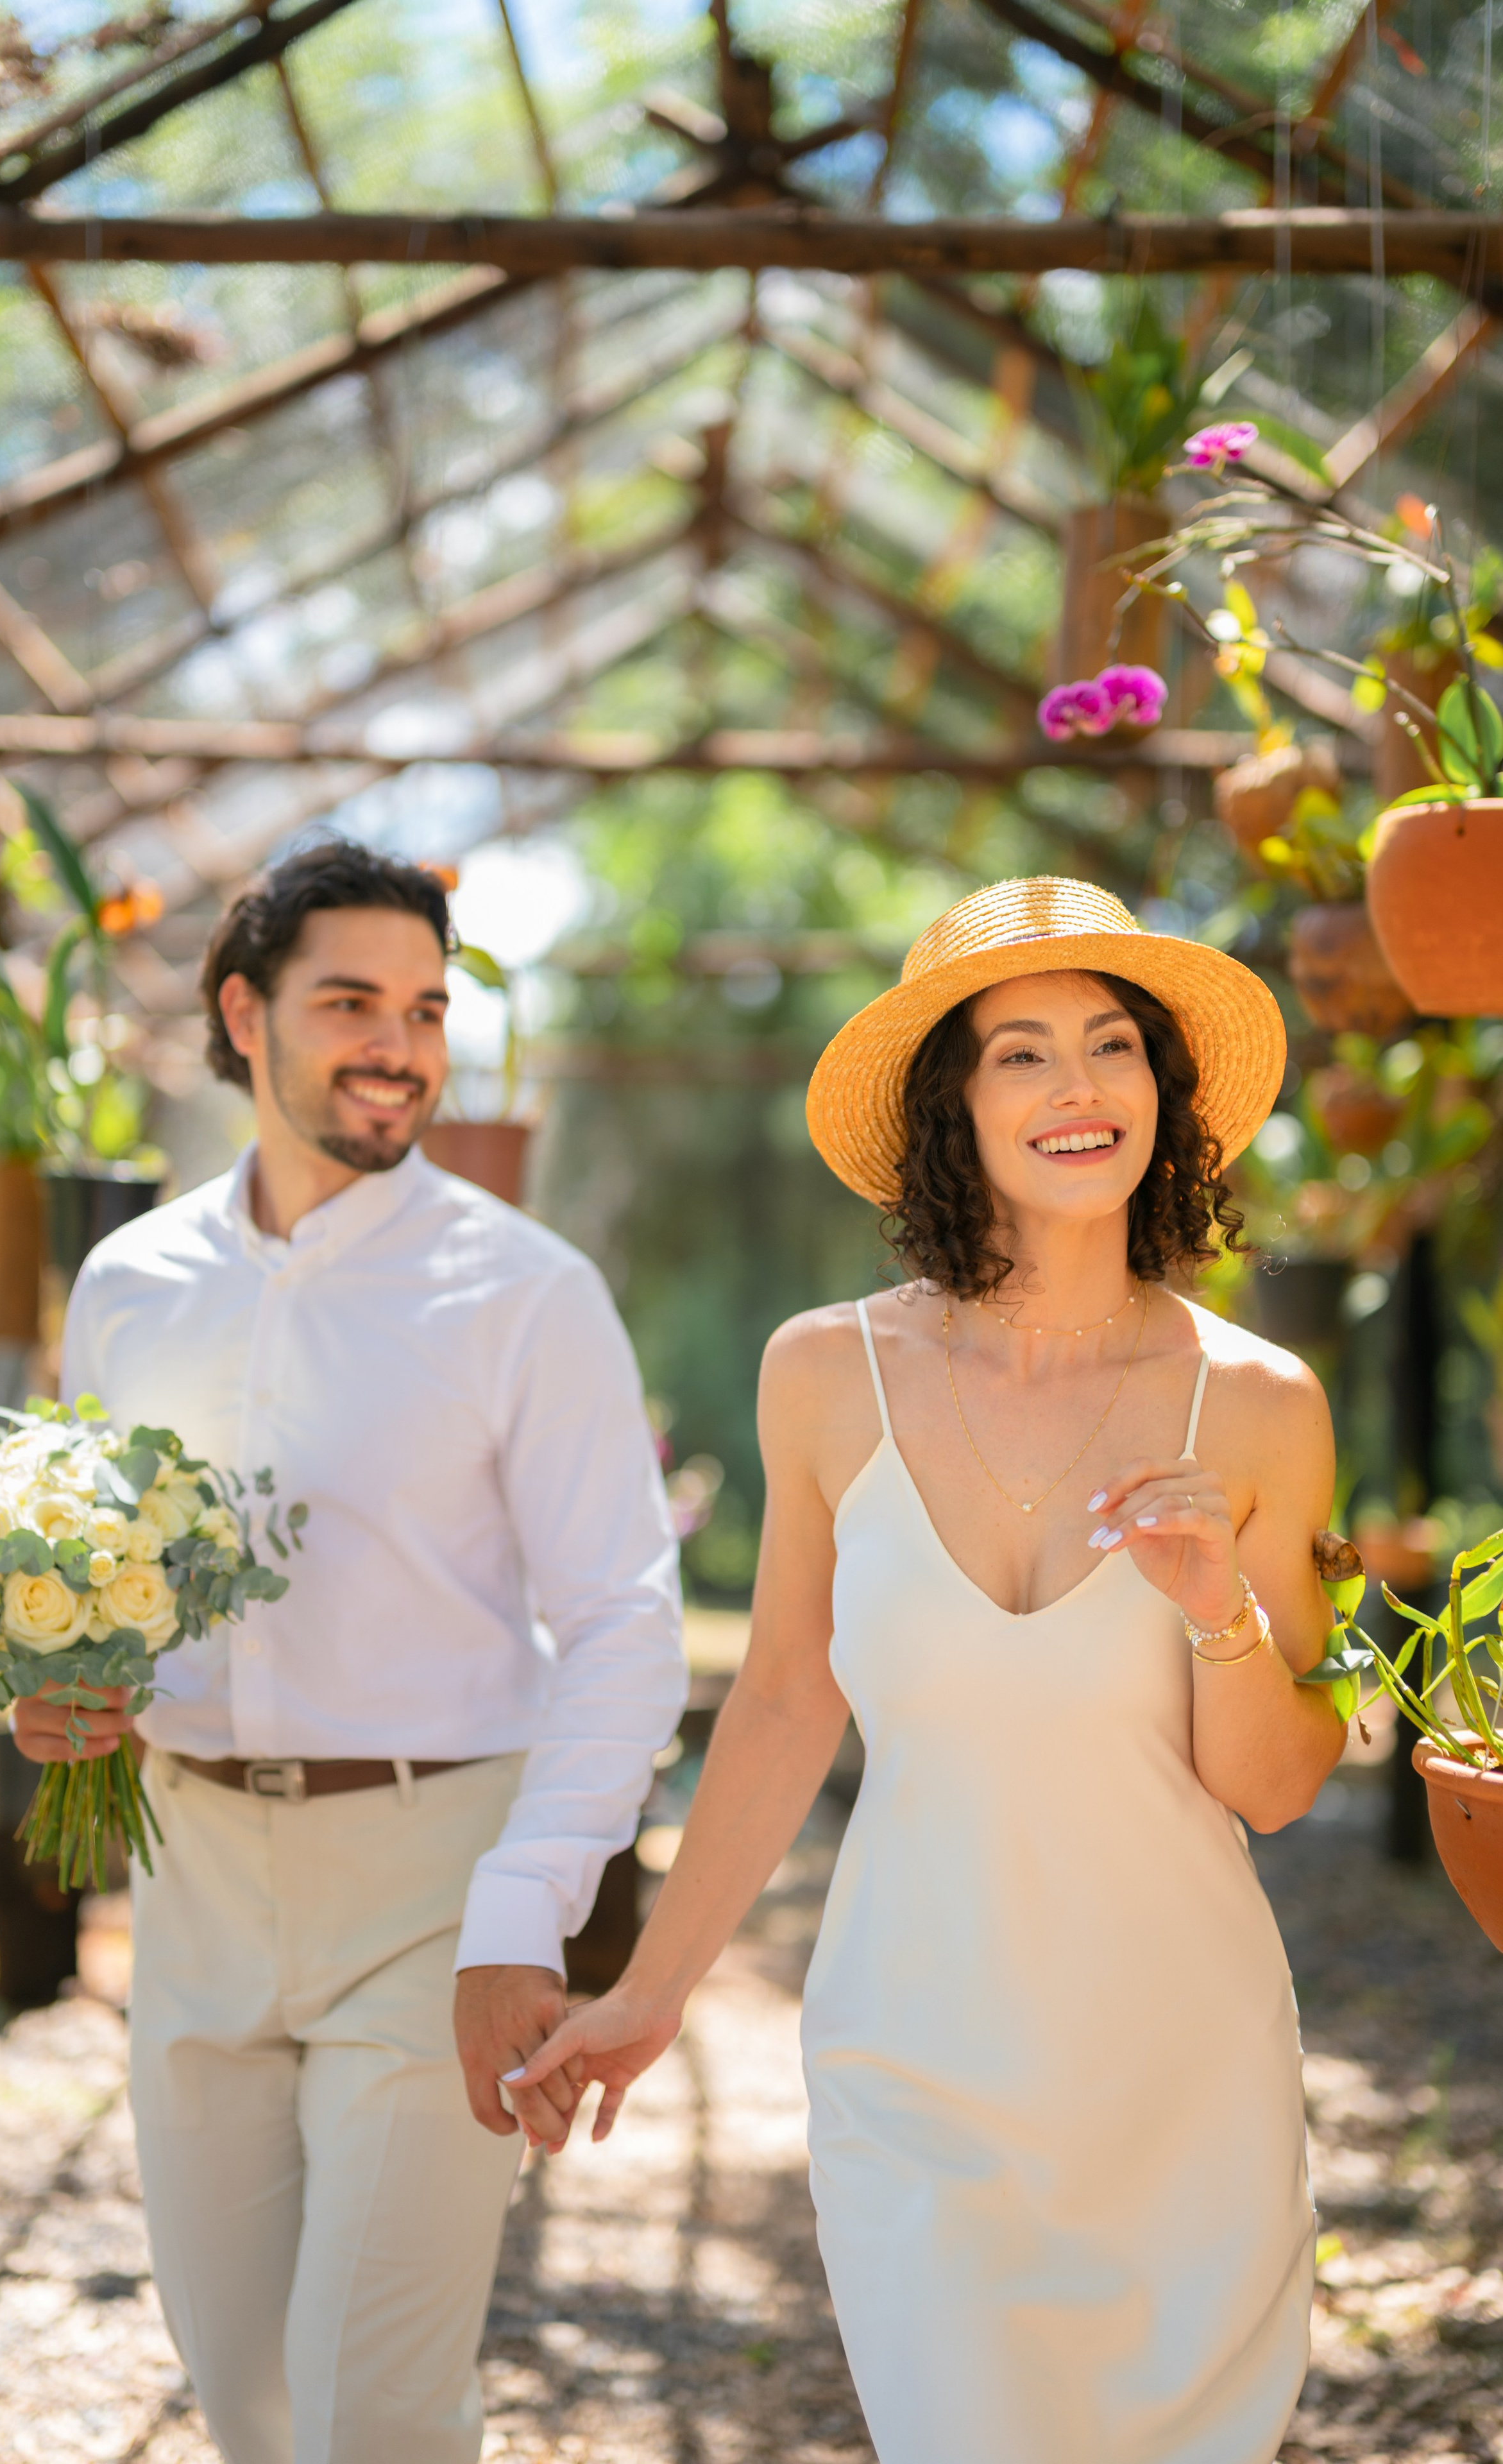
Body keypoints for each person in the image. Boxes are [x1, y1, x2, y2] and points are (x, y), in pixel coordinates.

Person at [516, 876, 1345, 2464]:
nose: (1076, 1086)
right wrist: (646, 1992)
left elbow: (1272, 1786)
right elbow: (781, 1699)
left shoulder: (1258, 1404)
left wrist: (1215, 1611)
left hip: (1179, 2074)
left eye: (1111, 1044)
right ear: (952, 1109)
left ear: (1162, 1092)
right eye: (1019, 1053)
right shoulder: (826, 1374)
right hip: (913, 2056)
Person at [12, 837, 685, 2464]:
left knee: (370, 2406)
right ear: (244, 1014)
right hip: (190, 1883)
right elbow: (76, 1560)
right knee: (246, 2399)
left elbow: (622, 1620)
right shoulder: (127, 1284)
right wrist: (50, 1687)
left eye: (425, 1010)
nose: (397, 1045)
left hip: (432, 1886)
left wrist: (524, 1914)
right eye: (348, 1003)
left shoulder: (525, 1295)